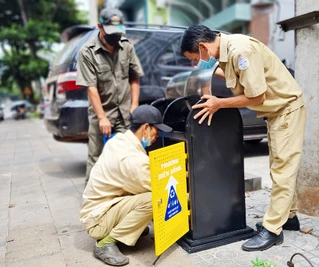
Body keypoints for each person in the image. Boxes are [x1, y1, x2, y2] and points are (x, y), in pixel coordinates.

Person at [180, 25, 306, 252]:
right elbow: (224, 76)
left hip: (286, 109)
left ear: (202, 47)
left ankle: (272, 230)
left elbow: (257, 95)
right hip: (275, 112)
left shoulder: (240, 50)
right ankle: (289, 217)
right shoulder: (226, 54)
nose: (196, 64)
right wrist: (206, 87)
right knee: (279, 166)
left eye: (195, 58)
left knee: (282, 169)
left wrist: (219, 103)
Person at [80, 105, 172, 266]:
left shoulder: (119, 140)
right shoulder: (132, 159)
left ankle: (128, 225)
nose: (158, 135)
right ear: (145, 128)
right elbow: (158, 187)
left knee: (144, 195)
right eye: (156, 129)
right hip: (98, 220)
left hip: (96, 209)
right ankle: (105, 244)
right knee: (155, 198)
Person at [76, 8, 144, 186]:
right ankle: (91, 201)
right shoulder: (87, 52)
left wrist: (134, 104)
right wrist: (102, 117)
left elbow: (134, 76)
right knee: (96, 157)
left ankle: (122, 195)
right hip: (102, 113)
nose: (116, 36)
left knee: (128, 155)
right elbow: (91, 88)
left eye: (119, 31)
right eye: (112, 32)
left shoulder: (127, 46)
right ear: (100, 26)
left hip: (125, 113)